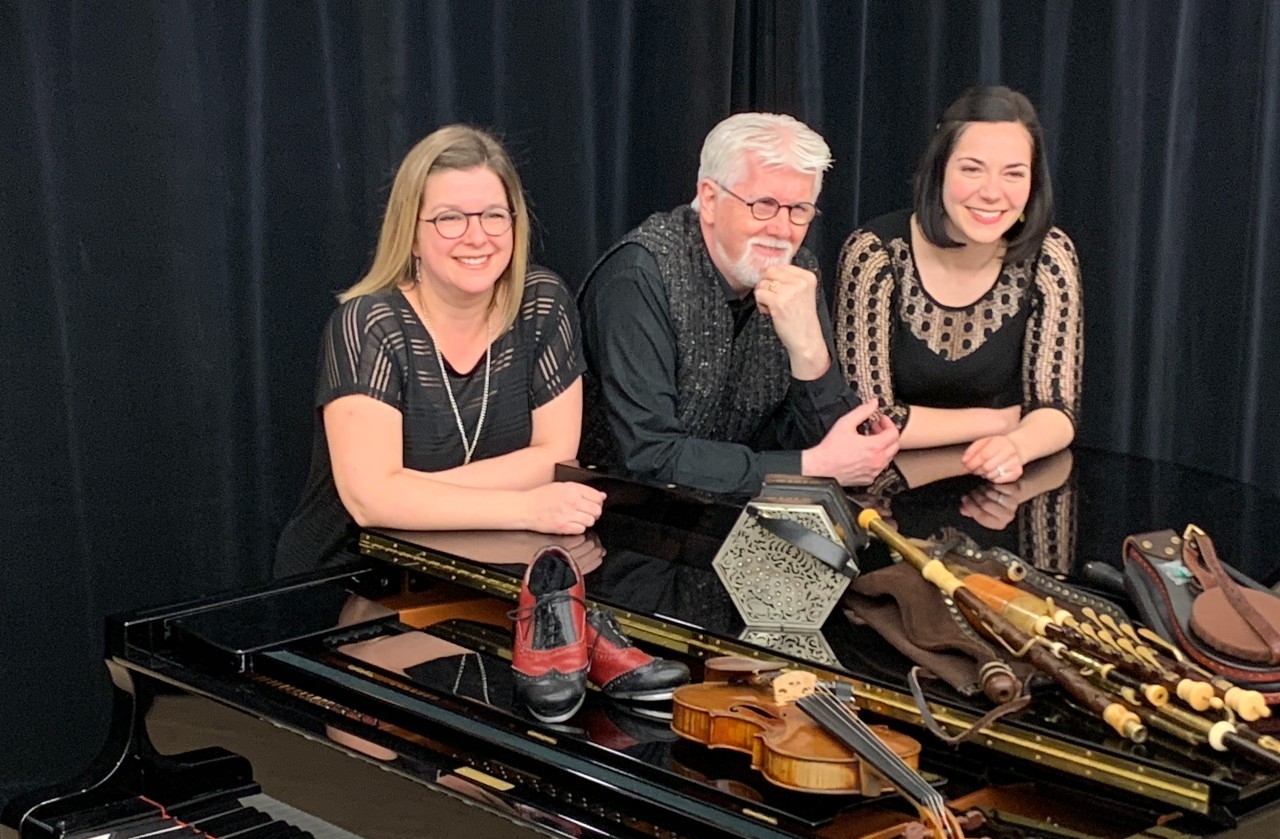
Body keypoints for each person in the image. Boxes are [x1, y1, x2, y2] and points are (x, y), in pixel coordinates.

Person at [275, 125, 605, 576]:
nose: (477, 237)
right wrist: (525, 508)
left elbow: (554, 456)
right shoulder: (367, 324)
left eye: (493, 215)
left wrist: (407, 492)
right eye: (450, 218)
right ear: (411, 234)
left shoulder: (543, 303)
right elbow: (370, 504)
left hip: (479, 572)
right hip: (354, 573)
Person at [578, 112, 899, 497]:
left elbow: (843, 449)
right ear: (711, 200)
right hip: (628, 520)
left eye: (799, 210)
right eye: (763, 205)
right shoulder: (639, 276)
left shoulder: (799, 272)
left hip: (746, 515)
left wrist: (810, 354)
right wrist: (808, 467)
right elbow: (649, 456)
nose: (782, 230)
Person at [834, 85, 1082, 485]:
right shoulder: (874, 253)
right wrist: (1000, 420)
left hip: (997, 483)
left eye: (1014, 173)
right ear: (940, 168)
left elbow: (1057, 408)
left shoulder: (1049, 255)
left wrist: (1017, 446)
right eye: (971, 168)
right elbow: (869, 421)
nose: (991, 192)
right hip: (884, 492)